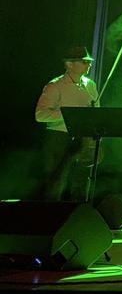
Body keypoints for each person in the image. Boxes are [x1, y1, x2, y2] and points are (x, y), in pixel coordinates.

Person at [35, 46, 100, 201]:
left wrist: (94, 140)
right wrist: (70, 115)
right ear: (70, 64)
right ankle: (50, 220)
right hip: (59, 138)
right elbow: (40, 115)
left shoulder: (90, 85)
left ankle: (77, 217)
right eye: (84, 62)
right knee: (56, 182)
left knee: (81, 183)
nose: (89, 64)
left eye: (89, 61)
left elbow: (96, 114)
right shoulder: (54, 85)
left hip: (84, 139)